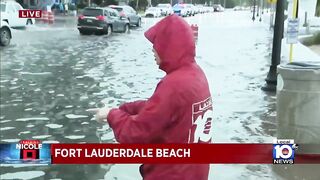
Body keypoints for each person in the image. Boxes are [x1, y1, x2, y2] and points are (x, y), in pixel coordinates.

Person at [89, 14, 213, 180]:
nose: (153, 49)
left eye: (157, 43)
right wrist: (124, 108)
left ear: (170, 46)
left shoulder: (173, 85)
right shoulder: (196, 74)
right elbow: (161, 110)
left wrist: (111, 115)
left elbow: (135, 133)